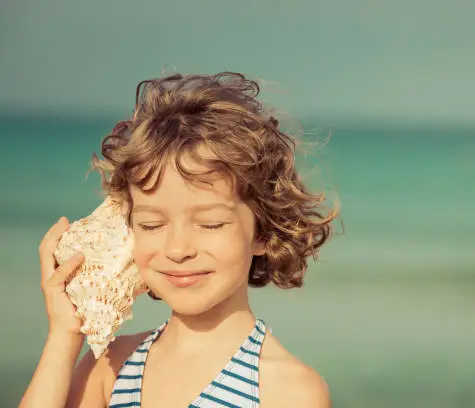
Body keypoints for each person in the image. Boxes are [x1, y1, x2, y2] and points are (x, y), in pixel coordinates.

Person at [20, 72, 339, 408]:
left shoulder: (287, 391)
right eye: (152, 224)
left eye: (211, 224)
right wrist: (64, 337)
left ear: (263, 231)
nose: (178, 249)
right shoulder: (111, 367)